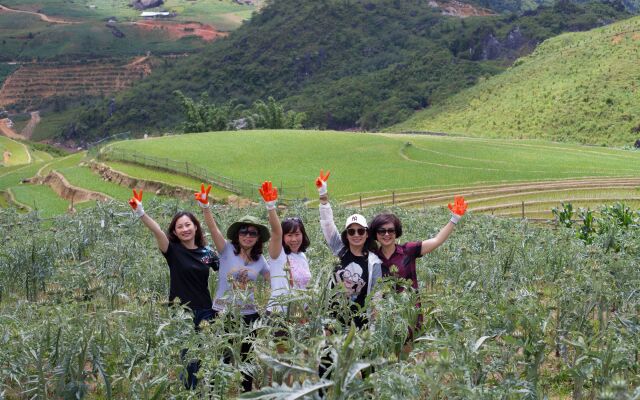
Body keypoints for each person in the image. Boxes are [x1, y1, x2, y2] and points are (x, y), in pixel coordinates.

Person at [127, 189, 219, 389]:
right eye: (180, 227)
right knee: (188, 357)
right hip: (181, 311)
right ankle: (189, 392)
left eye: (188, 224)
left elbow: (227, 269)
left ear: (195, 227)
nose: (185, 229)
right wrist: (141, 212)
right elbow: (157, 231)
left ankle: (205, 392)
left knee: (205, 355)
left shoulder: (208, 253)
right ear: (175, 232)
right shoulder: (173, 251)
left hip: (205, 310)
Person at [195, 181, 281, 392]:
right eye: (244, 232)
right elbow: (213, 228)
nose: (248, 236)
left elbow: (276, 279)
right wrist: (206, 206)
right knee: (221, 362)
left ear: (258, 237)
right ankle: (216, 395)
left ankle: (245, 395)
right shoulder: (226, 250)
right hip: (223, 314)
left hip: (249, 317)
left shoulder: (260, 260)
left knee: (246, 365)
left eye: (253, 233)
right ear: (237, 235)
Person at [316, 170, 382, 329]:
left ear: (367, 234)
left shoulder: (374, 262)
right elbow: (328, 225)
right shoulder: (340, 250)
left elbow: (376, 295)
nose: (356, 234)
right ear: (346, 234)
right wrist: (323, 196)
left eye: (360, 231)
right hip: (332, 325)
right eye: (351, 231)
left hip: (359, 327)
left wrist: (373, 329)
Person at [369, 196, 467, 292]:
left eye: (391, 230)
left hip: (411, 307)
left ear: (396, 232)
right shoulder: (372, 257)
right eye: (382, 231)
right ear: (375, 233)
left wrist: (454, 219)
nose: (386, 234)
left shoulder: (408, 250)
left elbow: (437, 240)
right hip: (383, 308)